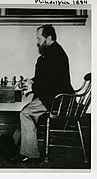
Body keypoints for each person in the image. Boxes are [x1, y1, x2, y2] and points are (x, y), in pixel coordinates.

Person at [12, 24, 74, 162]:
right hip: (52, 96)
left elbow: (52, 82)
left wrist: (33, 87)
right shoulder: (51, 53)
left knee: (25, 113)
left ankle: (30, 154)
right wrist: (30, 82)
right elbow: (45, 78)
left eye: (39, 39)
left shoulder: (56, 54)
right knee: (25, 112)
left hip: (57, 99)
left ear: (49, 38)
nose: (37, 43)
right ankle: (16, 144)